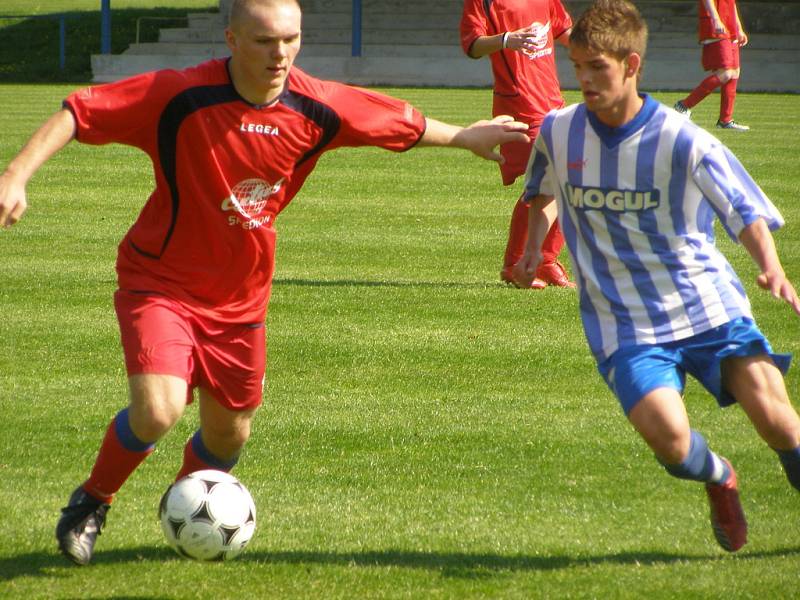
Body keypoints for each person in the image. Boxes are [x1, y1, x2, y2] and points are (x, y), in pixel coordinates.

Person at [0, 0, 530, 566]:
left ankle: (187, 503)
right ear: (231, 38)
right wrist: (14, 177)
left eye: (290, 40)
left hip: (241, 300)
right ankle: (92, 502)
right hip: (161, 283)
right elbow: (79, 113)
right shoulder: (180, 94)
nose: (279, 54)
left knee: (229, 435)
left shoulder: (316, 105)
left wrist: (466, 137)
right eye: (263, 42)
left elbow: (397, 121)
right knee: (158, 410)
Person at [514, 0, 800, 552]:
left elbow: (742, 209)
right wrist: (532, 250)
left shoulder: (682, 138)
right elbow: (543, 190)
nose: (585, 80)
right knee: (671, 443)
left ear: (632, 64)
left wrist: (772, 268)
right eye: (576, 67)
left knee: (781, 425)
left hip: (707, 306)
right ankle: (721, 477)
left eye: (598, 67)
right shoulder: (559, 129)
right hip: (624, 322)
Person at [460, 0, 575, 289]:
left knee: (571, 178)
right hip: (521, 104)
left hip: (552, 101)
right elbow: (472, 45)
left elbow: (565, 32)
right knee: (545, 181)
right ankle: (515, 264)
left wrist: (603, 48)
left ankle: (545, 260)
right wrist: (506, 40)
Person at [673, 0, 750, 131]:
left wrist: (739, 27)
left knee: (735, 72)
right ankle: (683, 105)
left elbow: (731, 4)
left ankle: (725, 120)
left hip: (729, 25)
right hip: (717, 25)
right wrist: (716, 19)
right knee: (726, 73)